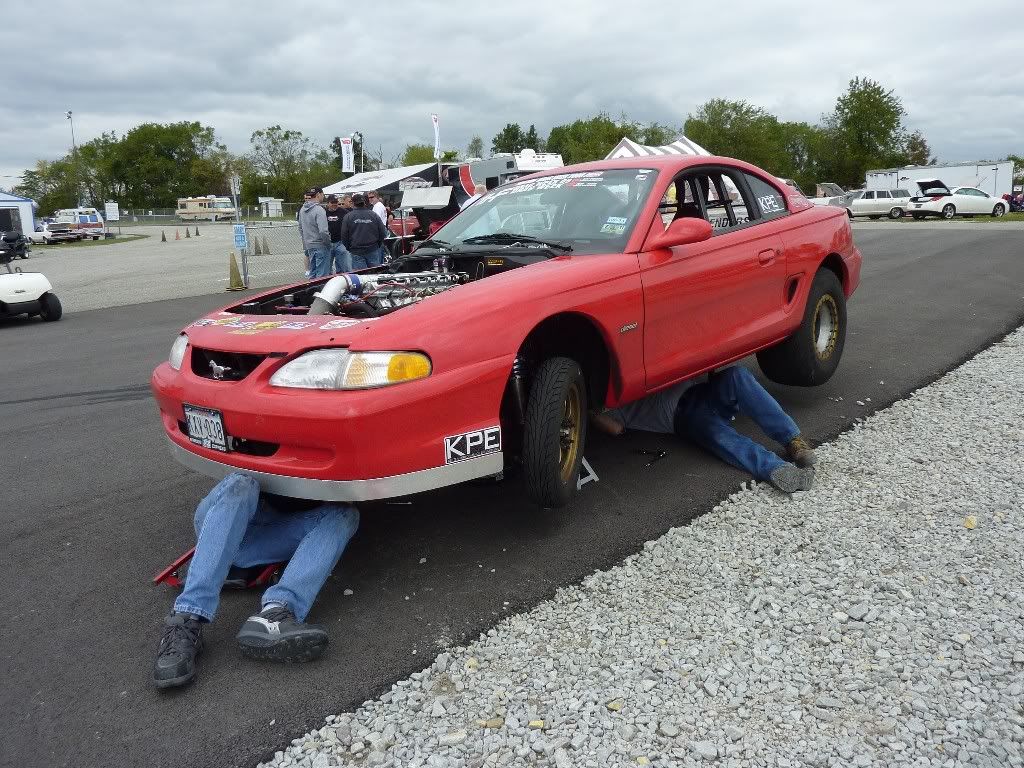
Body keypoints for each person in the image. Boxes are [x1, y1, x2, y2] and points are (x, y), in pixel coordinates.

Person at [152, 473, 359, 689]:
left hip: (270, 534)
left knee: (345, 515)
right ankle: (187, 617)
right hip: (229, 513)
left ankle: (276, 613)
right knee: (243, 483)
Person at [591, 366, 817, 493]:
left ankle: (793, 440)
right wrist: (590, 410)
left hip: (703, 392)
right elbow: (615, 429)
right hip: (682, 416)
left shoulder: (641, 364)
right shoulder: (608, 405)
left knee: (737, 375)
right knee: (720, 437)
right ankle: (775, 469)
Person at [340, 193, 388, 269]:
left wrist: (349, 248)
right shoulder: (374, 215)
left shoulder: (348, 217)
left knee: (362, 277)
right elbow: (383, 232)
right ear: (364, 203)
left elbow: (344, 235)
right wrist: (377, 245)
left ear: (353, 203)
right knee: (374, 275)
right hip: (372, 249)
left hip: (356, 251)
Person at [298, 187, 332, 278]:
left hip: (309, 245)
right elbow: (323, 231)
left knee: (312, 272)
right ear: (318, 195)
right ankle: (320, 291)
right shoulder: (319, 210)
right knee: (322, 274)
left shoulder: (302, 209)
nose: (323, 197)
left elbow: (300, 228)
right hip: (321, 245)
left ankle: (311, 290)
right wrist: (328, 243)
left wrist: (306, 243)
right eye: (323, 195)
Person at [324, 195, 352, 274]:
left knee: (344, 266)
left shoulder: (344, 212)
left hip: (341, 242)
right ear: (328, 203)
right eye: (332, 202)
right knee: (327, 268)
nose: (334, 204)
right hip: (328, 243)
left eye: (336, 202)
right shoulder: (323, 212)